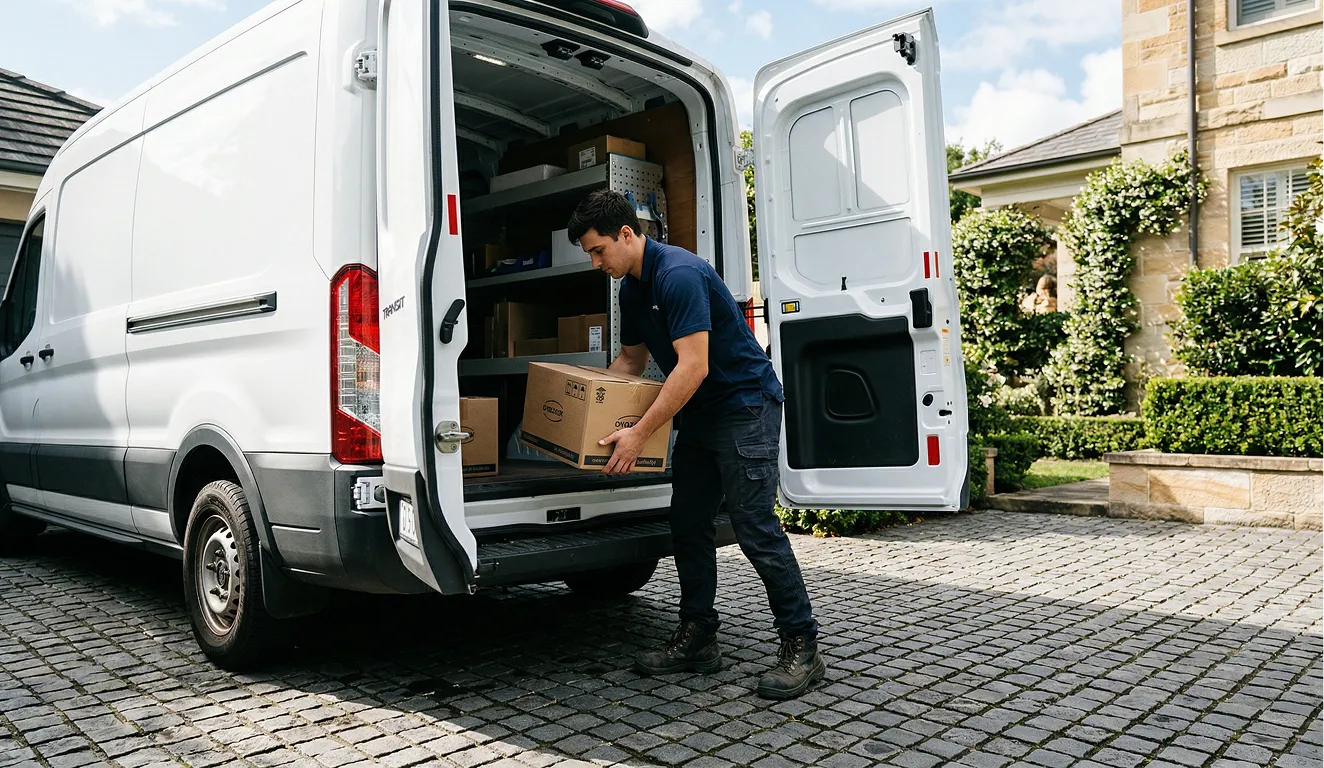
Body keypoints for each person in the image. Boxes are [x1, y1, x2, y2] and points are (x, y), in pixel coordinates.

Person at [566, 189, 825, 700]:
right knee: (687, 524)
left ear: (626, 233)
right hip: (702, 414)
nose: (596, 263)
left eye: (598, 251)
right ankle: (699, 639)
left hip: (745, 406)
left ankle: (802, 645)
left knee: (755, 528)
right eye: (589, 254)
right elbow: (630, 366)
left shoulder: (677, 274)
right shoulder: (631, 289)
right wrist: (582, 410)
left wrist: (639, 433)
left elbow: (694, 365)